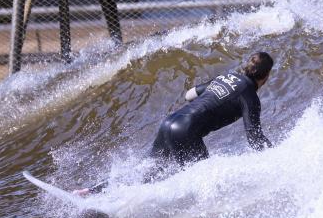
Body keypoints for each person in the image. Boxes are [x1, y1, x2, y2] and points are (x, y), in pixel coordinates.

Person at [75, 52, 274, 196]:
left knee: (147, 171)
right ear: (266, 76)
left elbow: (190, 95)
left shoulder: (227, 76)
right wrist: (276, 160)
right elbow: (254, 137)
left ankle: (91, 191)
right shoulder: (249, 97)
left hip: (170, 122)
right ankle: (126, 204)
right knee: (202, 181)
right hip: (187, 131)